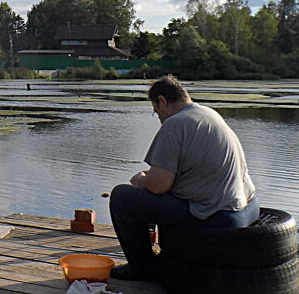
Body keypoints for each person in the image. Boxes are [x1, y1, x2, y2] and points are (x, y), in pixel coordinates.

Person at [108, 74, 258, 280]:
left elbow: (159, 186)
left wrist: (140, 180)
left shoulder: (175, 124)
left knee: (122, 197)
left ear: (162, 101)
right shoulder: (208, 113)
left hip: (219, 217)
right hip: (247, 209)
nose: (159, 119)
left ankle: (143, 269)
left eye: (156, 112)